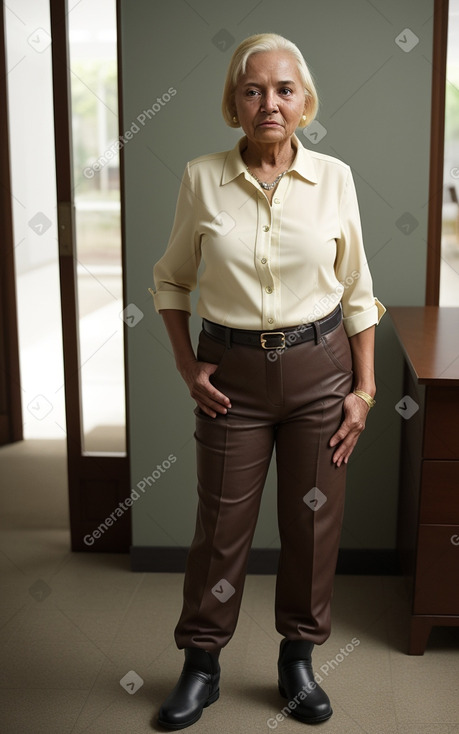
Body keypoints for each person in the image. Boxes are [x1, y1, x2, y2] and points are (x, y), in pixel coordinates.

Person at [151, 33, 385, 729]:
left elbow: (357, 293)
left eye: (284, 90)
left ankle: (296, 662)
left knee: (313, 524)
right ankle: (200, 665)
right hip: (233, 380)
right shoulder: (200, 177)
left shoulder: (335, 178)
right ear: (234, 103)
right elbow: (170, 279)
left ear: (304, 101)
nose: (269, 103)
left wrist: (364, 391)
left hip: (321, 374)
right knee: (220, 529)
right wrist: (184, 362)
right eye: (252, 90)